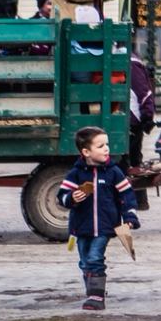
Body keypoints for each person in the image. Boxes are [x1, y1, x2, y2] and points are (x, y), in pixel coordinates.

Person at [56, 126, 140, 311]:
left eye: (107, 144)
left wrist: (129, 217)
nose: (106, 149)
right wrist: (71, 198)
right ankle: (94, 288)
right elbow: (61, 196)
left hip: (104, 227)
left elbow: (127, 196)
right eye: (101, 146)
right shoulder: (76, 174)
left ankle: (96, 296)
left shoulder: (114, 172)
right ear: (86, 152)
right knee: (85, 261)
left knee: (95, 258)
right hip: (81, 227)